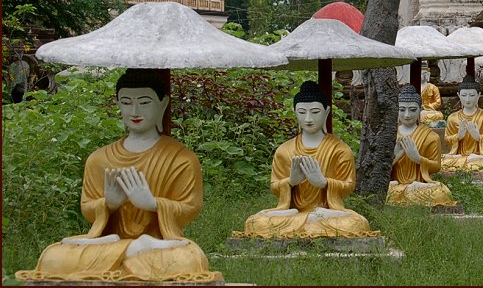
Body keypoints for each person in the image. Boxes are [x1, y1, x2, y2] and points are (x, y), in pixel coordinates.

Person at [16, 69, 222, 283]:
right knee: (53, 258)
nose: (134, 110)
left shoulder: (181, 159)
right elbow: (88, 207)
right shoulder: (99, 159)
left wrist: (153, 204)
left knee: (187, 259)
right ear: (118, 104)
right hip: (109, 242)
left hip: (160, 244)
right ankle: (132, 250)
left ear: (163, 104)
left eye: (144, 102)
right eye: (126, 102)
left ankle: (135, 250)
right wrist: (108, 204)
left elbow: (190, 207)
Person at [237, 81, 377, 239]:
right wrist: (290, 181)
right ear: (294, 112)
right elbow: (275, 187)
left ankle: (314, 220)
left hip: (327, 212)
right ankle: (309, 222)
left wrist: (324, 183)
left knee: (357, 223)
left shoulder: (340, 150)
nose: (308, 118)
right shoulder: (284, 150)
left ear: (327, 112)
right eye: (302, 112)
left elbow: (348, 186)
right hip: (293, 213)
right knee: (256, 222)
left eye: (315, 112)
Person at [386, 86, 456, 207]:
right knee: (382, 191)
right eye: (402, 110)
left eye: (412, 110)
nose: (407, 115)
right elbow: (378, 169)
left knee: (440, 193)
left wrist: (418, 158)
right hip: (394, 185)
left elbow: (436, 167)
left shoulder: (431, 136)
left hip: (419, 185)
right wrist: (394, 157)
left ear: (420, 110)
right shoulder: (389, 135)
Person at [442, 75, 483, 171]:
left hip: (479, 156)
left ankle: (469, 164)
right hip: (459, 157)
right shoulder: (453, 118)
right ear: (458, 95)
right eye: (464, 95)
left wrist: (478, 137)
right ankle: (469, 164)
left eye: (471, 95)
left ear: (478, 95)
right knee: (443, 161)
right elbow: (447, 140)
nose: (467, 99)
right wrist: (458, 136)